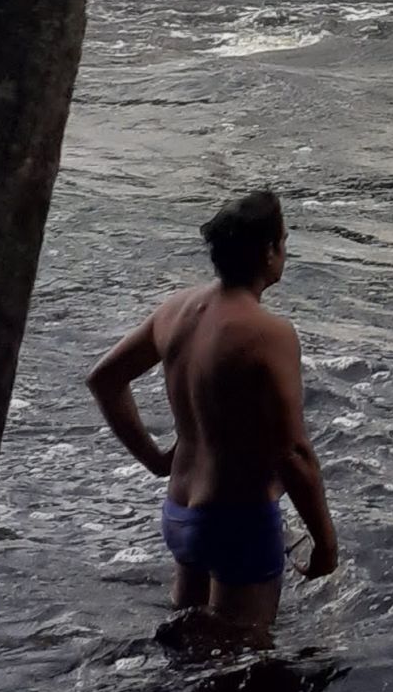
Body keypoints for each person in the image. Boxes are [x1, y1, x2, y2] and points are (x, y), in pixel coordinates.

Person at [87, 187, 340, 644]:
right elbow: (293, 452)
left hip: (181, 514)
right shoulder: (269, 333)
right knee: (241, 670)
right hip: (238, 519)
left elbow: (105, 379)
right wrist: (325, 543)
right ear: (268, 252)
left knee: (190, 655)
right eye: (283, 241)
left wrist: (155, 459)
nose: (285, 251)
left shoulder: (176, 310)